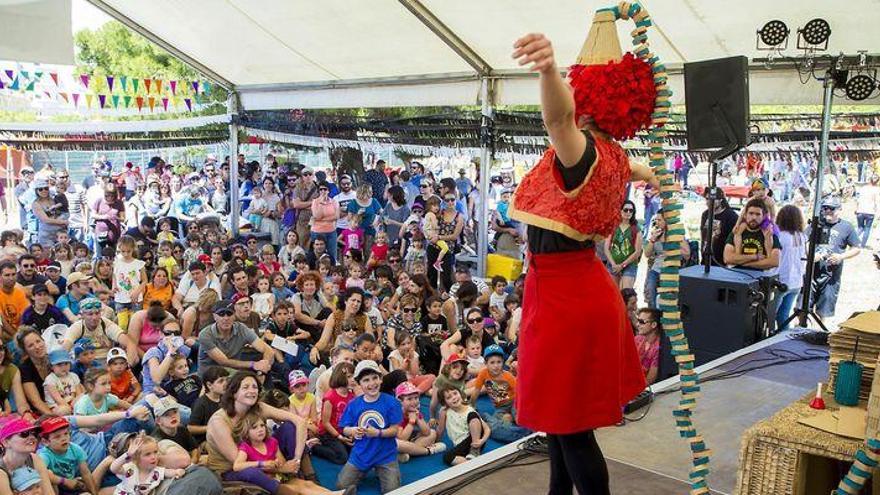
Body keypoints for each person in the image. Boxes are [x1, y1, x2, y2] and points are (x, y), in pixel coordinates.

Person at [508, 28, 650, 494]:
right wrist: (651, 173)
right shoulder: (612, 153)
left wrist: (548, 70)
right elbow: (631, 167)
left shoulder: (581, 150)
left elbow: (557, 120)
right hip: (574, 288)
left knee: (569, 429)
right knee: (559, 422)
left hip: (567, 297)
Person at [335, 360, 402, 494]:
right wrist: (352, 431)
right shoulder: (353, 404)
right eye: (366, 380)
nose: (372, 384)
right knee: (341, 486)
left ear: (381, 379)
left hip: (385, 455)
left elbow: (395, 430)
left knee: (392, 491)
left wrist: (377, 433)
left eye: (374, 378)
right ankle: (365, 471)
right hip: (361, 455)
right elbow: (344, 428)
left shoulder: (391, 402)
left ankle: (382, 469)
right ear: (358, 383)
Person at [810, 195, 861, 321]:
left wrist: (841, 256)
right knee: (804, 306)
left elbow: (856, 248)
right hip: (811, 273)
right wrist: (810, 255)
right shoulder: (816, 224)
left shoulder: (846, 227)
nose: (827, 211)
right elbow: (805, 241)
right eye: (825, 208)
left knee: (824, 310)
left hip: (831, 275)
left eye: (831, 208)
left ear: (839, 210)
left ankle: (820, 333)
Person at [37, 416, 99, 495]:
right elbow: (39, 473)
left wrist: (94, 493)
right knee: (49, 475)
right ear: (45, 442)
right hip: (55, 489)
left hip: (71, 485)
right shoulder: (44, 455)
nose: (64, 438)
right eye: (57, 436)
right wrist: (65, 481)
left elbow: (85, 472)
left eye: (66, 433)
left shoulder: (75, 449)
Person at [435, 386, 490, 466]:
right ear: (445, 402)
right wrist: (436, 441)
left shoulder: (469, 409)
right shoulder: (445, 412)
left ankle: (474, 451)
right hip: (461, 445)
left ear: (460, 393)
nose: (454, 398)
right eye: (449, 397)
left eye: (455, 393)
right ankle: (471, 463)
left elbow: (487, 429)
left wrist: (481, 441)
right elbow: (440, 429)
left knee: (473, 415)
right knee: (447, 457)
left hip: (476, 441)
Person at [723, 198, 781, 271]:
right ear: (745, 215)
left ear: (764, 216)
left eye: (758, 214)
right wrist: (755, 257)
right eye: (751, 213)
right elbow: (728, 258)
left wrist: (744, 263)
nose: (754, 217)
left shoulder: (769, 233)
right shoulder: (737, 232)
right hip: (737, 277)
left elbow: (774, 262)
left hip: (760, 278)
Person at [775, 205, 807, 330]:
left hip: (782, 280)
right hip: (796, 281)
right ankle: (783, 338)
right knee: (784, 315)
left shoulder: (780, 236)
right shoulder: (802, 236)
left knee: (772, 315)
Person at [604, 200, 642, 289]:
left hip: (629, 265)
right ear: (620, 211)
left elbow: (637, 252)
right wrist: (613, 264)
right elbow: (606, 247)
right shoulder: (614, 226)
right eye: (625, 210)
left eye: (631, 210)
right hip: (613, 264)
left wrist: (622, 265)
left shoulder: (636, 229)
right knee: (613, 293)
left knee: (626, 293)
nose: (628, 212)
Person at [700, 191, 739, 266]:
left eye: (713, 199)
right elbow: (703, 234)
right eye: (707, 199)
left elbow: (735, 237)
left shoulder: (731, 215)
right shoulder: (705, 214)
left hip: (722, 259)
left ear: (721, 199)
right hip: (706, 258)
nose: (709, 201)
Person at [311, 182, 340, 261]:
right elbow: (317, 216)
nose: (323, 191)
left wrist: (321, 219)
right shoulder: (315, 202)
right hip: (317, 231)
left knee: (332, 255)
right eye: (321, 189)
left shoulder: (334, 202)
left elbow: (337, 216)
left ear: (328, 191)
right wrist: (321, 202)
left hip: (331, 231)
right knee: (317, 255)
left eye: (325, 189)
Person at [633, 308, 661, 385]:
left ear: (654, 325)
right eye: (638, 321)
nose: (637, 324)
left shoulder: (658, 348)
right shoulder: (637, 339)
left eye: (641, 322)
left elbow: (649, 380)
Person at [855, 174, 880, 247]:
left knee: (860, 227)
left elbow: (858, 199)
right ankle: (863, 245)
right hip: (870, 211)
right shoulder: (877, 190)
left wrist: (856, 208)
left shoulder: (863, 188)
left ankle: (852, 241)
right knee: (867, 228)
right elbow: (877, 202)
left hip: (860, 209)